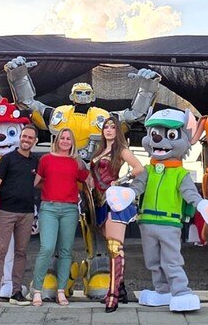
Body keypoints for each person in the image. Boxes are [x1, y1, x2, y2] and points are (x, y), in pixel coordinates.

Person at [30, 128, 89, 307]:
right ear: (57, 140)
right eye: (62, 138)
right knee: (47, 248)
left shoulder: (76, 162)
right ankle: (37, 290)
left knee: (65, 251)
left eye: (68, 138)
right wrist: (50, 188)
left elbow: (88, 181)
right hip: (49, 207)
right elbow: (36, 182)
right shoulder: (46, 159)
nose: (65, 141)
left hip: (70, 209)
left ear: (72, 142)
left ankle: (61, 290)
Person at [0, 125, 40, 309]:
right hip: (6, 212)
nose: (26, 140)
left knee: (21, 253)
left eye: (30, 137)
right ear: (20, 137)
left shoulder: (36, 162)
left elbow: (40, 183)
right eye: (24, 136)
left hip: (27, 213)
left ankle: (16, 292)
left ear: (35, 141)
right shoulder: (7, 159)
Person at [90, 120, 144, 312]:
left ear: (118, 131)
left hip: (114, 201)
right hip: (99, 202)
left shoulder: (121, 150)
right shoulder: (99, 151)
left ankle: (112, 295)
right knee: (111, 246)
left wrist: (120, 181)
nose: (109, 130)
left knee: (115, 247)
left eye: (113, 127)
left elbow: (139, 168)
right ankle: (119, 289)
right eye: (106, 127)